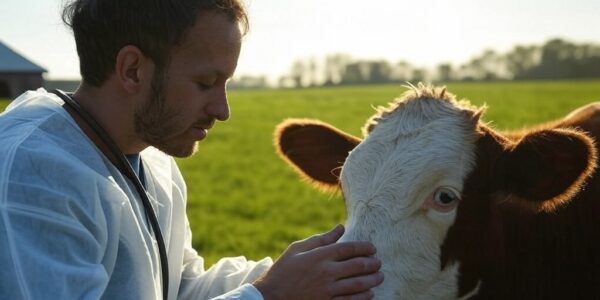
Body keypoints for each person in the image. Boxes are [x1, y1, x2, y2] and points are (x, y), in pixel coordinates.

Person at [0, 0, 384, 299]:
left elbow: (178, 289)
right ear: (133, 69)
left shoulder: (151, 157)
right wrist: (271, 294)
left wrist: (309, 273)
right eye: (206, 82)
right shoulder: (34, 172)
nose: (223, 109)